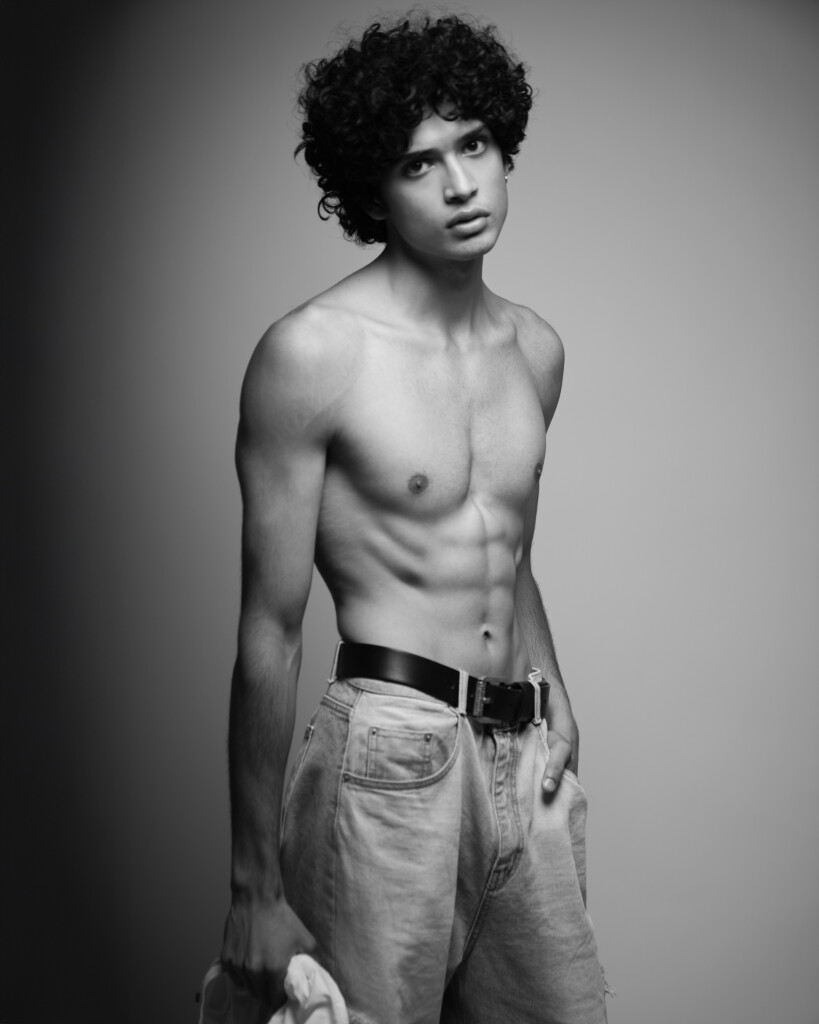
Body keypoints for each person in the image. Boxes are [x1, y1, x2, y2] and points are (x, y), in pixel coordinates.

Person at [220, 13, 607, 1023]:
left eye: (473, 145)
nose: (460, 185)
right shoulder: (314, 353)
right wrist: (253, 886)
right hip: (389, 755)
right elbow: (270, 627)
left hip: (520, 750)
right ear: (372, 193)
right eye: (418, 163)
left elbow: (507, 554)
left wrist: (556, 692)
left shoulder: (536, 350)